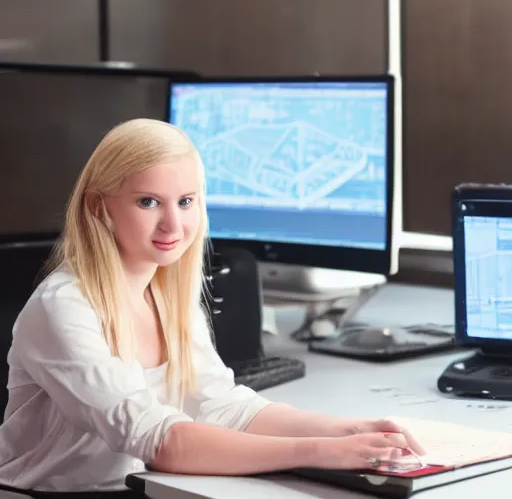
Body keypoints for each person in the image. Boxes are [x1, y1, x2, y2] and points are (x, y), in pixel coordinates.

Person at [0, 119, 423, 495]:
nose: (174, 224)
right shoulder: (64, 307)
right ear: (99, 207)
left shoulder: (168, 292)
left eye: (186, 201)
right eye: (148, 202)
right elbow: (162, 443)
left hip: (136, 486)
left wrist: (349, 430)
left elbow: (223, 407)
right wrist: (323, 452)